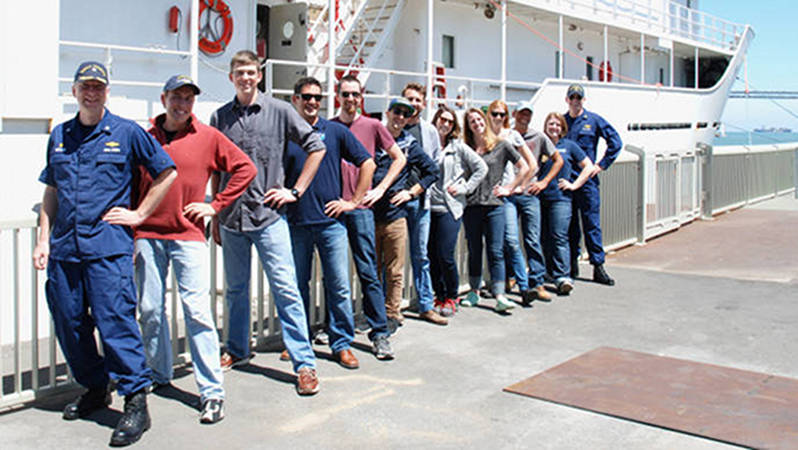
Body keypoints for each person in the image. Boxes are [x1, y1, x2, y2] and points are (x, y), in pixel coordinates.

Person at [33, 61, 177, 446]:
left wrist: (140, 214)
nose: (91, 93)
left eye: (98, 87)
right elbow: (52, 190)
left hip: (108, 250)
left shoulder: (127, 133)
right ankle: (96, 388)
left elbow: (167, 172)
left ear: (106, 92)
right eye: (85, 87)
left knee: (116, 324)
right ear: (75, 91)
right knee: (69, 322)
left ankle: (135, 402)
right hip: (65, 250)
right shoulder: (60, 135)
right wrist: (43, 239)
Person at [134, 75, 256, 424]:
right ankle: (158, 374)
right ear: (163, 98)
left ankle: (212, 392)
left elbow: (245, 168)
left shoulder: (207, 137)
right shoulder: (145, 137)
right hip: (147, 235)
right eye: (176, 97)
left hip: (187, 236)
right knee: (151, 311)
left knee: (198, 312)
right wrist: (130, 232)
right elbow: (132, 183)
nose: (182, 104)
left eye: (188, 98)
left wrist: (215, 205)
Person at [210, 50, 324, 395]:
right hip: (231, 218)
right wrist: (215, 213)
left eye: (250, 72)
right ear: (231, 78)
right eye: (239, 72)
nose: (245, 77)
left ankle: (304, 364)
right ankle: (238, 349)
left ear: (259, 76)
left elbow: (316, 147)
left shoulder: (280, 110)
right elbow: (216, 168)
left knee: (286, 290)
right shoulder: (219, 117)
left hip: (269, 217)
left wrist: (296, 190)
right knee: (235, 290)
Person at [285, 77, 380, 366]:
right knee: (296, 286)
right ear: (295, 100)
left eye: (317, 97)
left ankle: (341, 343)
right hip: (295, 222)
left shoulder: (335, 131)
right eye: (306, 97)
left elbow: (368, 162)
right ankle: (298, 342)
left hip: (330, 223)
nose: (312, 102)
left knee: (338, 285)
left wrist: (353, 201)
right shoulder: (285, 133)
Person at [332, 74, 405, 350]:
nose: (351, 99)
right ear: (338, 96)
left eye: (355, 94)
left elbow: (400, 158)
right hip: (336, 209)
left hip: (362, 209)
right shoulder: (330, 126)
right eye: (346, 94)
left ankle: (379, 333)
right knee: (336, 275)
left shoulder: (373, 125)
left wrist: (381, 189)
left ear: (361, 97)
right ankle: (337, 328)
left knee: (368, 272)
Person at [373, 98, 444, 329]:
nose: (400, 117)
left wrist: (410, 193)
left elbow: (432, 171)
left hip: (395, 215)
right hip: (370, 214)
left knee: (394, 270)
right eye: (396, 111)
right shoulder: (374, 137)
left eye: (405, 114)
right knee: (373, 269)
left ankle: (392, 313)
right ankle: (374, 313)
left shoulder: (409, 144)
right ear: (388, 112)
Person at [460, 108, 529, 312]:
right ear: (468, 126)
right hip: (472, 206)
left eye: (479, 119)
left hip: (495, 205)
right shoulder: (466, 148)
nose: (476, 123)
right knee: (474, 250)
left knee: (495, 250)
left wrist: (510, 188)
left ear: (485, 121)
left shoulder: (501, 145)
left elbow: (524, 167)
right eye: (472, 121)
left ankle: (500, 295)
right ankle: (474, 291)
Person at [427, 106, 487, 316]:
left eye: (449, 121)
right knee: (431, 255)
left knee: (445, 254)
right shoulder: (428, 142)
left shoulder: (458, 147)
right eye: (442, 119)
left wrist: (465, 188)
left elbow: (481, 168)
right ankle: (439, 294)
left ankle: (452, 296)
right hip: (427, 206)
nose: (444, 124)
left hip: (449, 207)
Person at [485, 100, 546, 305]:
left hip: (506, 197)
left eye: (502, 114)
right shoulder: (484, 136)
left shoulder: (512, 135)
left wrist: (513, 186)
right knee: (494, 245)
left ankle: (524, 286)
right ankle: (497, 285)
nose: (498, 118)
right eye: (494, 114)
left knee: (511, 240)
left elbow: (531, 166)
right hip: (486, 198)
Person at [563, 84, 623, 285]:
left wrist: (602, 165)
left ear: (583, 100)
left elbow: (615, 142)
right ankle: (572, 264)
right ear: (567, 100)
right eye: (572, 97)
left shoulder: (594, 121)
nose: (575, 100)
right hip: (567, 181)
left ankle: (598, 266)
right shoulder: (561, 122)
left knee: (592, 225)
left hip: (587, 182)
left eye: (579, 97)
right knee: (570, 225)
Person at [509, 100, 564, 302]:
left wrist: (544, 182)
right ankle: (512, 276)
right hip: (510, 193)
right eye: (521, 113)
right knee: (510, 240)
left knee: (532, 239)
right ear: (514, 114)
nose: (524, 117)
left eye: (528, 114)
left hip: (530, 194)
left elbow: (558, 159)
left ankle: (537, 282)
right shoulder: (507, 135)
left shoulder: (538, 137)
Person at [541, 112, 594, 294]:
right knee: (543, 237)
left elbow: (588, 165)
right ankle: (548, 273)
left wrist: (574, 184)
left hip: (561, 199)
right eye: (550, 124)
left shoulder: (569, 146)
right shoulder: (541, 145)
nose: (553, 127)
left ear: (562, 128)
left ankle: (563, 276)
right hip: (540, 198)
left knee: (559, 236)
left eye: (557, 124)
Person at [400, 83, 441, 316]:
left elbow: (434, 164)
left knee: (421, 255)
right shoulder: (395, 126)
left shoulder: (430, 131)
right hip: (396, 201)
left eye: (417, 100)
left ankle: (426, 304)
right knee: (392, 258)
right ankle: (390, 307)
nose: (414, 104)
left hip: (421, 201)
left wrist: (418, 190)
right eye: (409, 99)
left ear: (424, 103)